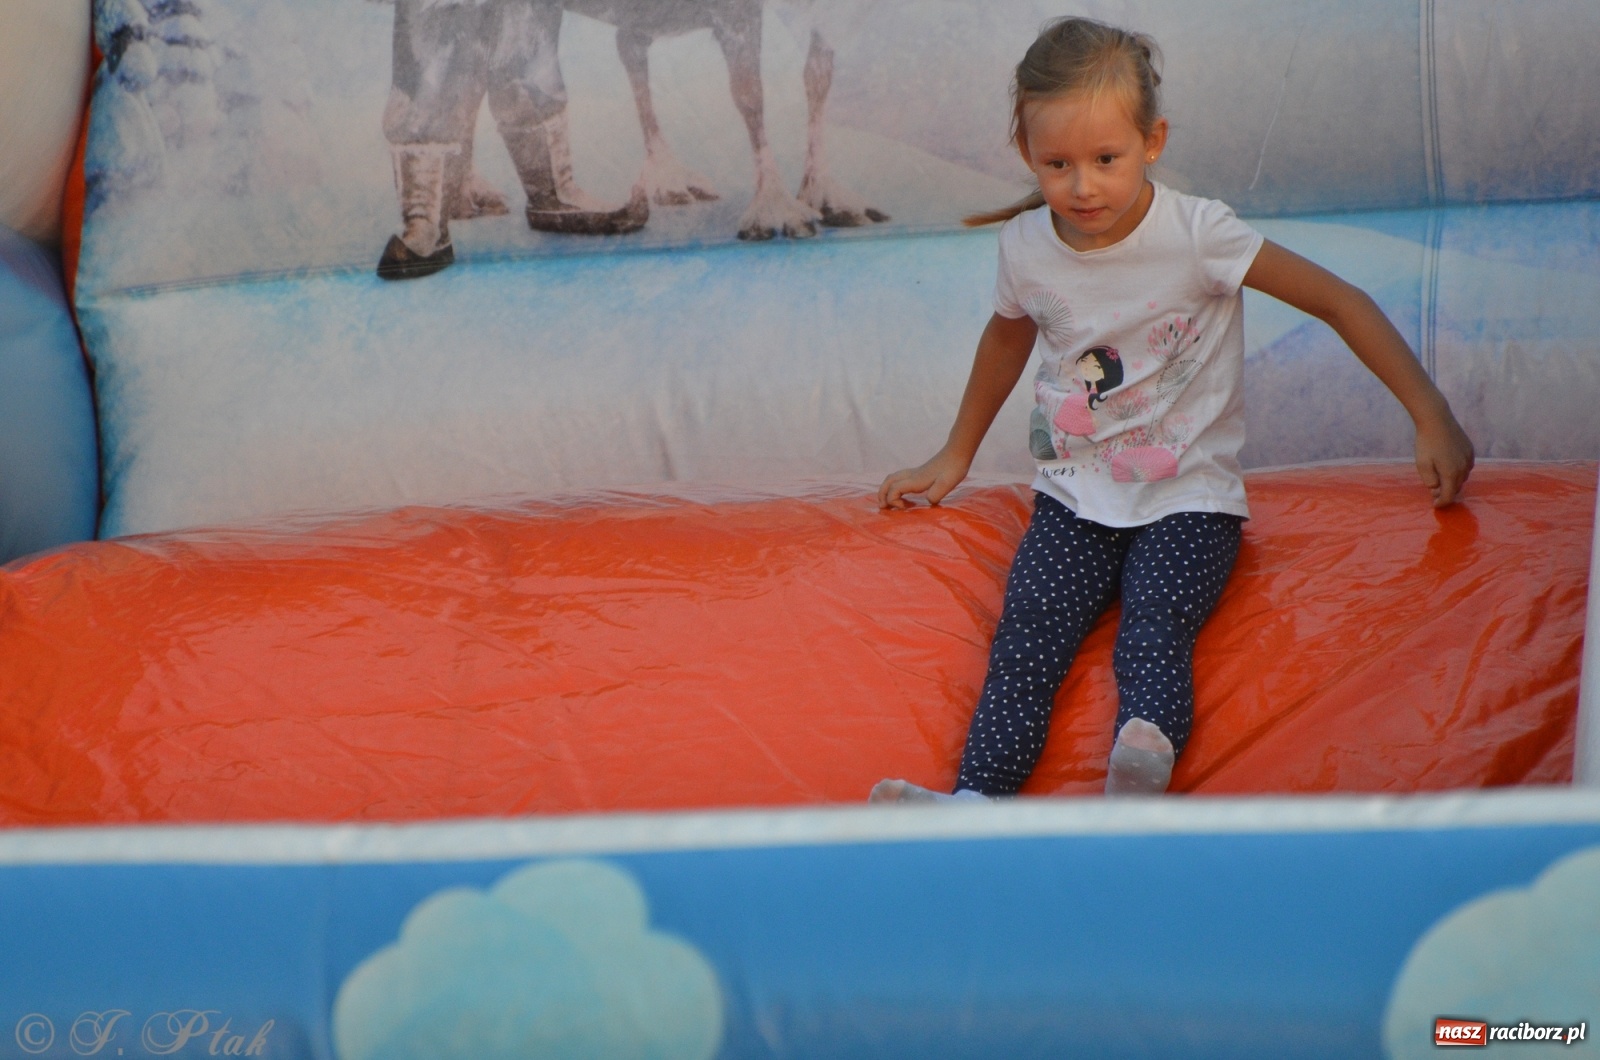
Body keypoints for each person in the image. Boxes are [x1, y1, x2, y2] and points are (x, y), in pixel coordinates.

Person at [869, 16, 1474, 803]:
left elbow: (1340, 300)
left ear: (1152, 141)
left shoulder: (1197, 234)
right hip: (1074, 496)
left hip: (1189, 497)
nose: (1083, 187)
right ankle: (975, 804)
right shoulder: (1025, 246)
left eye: (1106, 159)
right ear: (1026, 151)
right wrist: (953, 454)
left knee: (1155, 628)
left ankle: (1136, 789)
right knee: (1026, 639)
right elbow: (1005, 341)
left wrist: (1431, 415)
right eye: (1058, 164)